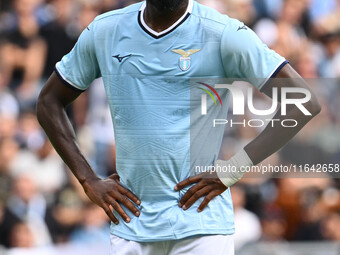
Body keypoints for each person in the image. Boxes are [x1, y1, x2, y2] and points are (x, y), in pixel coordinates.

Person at [36, 0, 321, 254]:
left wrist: (233, 169)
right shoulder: (105, 31)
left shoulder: (222, 33)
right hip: (130, 223)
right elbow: (48, 102)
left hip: (202, 225)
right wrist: (88, 180)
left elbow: (303, 102)